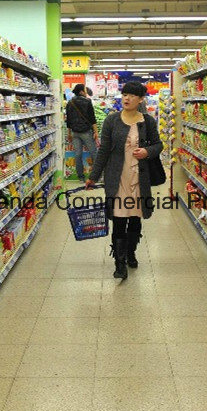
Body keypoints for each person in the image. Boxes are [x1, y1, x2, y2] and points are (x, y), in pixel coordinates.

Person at [86, 81, 163, 279]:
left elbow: (158, 145)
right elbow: (104, 150)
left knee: (136, 218)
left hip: (139, 179)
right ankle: (119, 263)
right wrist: (93, 176)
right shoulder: (112, 120)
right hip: (118, 178)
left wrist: (147, 151)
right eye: (124, 94)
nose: (126, 98)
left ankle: (131, 253)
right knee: (119, 220)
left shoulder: (148, 121)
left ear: (140, 99)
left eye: (131, 95)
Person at [65, 83, 98, 182]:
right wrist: (95, 131)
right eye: (85, 90)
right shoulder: (87, 101)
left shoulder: (70, 103)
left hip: (75, 132)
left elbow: (69, 120)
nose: (86, 92)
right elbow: (92, 118)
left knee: (77, 154)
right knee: (94, 153)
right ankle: (97, 176)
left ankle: (81, 177)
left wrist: (69, 133)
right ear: (81, 92)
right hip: (86, 132)